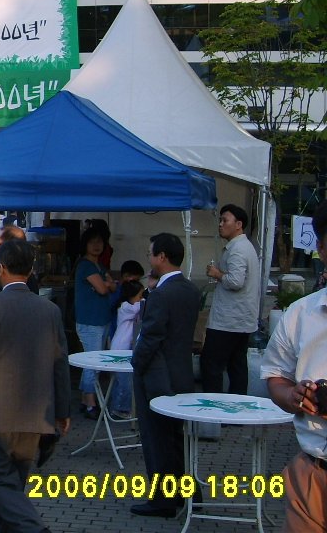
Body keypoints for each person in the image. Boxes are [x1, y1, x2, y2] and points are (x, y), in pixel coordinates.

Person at [0, 238, 71, 532]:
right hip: (36, 414)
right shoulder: (49, 310)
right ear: (32, 269)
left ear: (1, 268)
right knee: (12, 486)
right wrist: (62, 410)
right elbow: (60, 363)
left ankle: (35, 529)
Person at [262, 201, 327, 531]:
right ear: (322, 249)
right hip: (313, 472)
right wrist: (293, 396)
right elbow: (275, 376)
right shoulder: (300, 314)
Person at [130, 232, 201, 518]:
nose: (149, 259)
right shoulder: (190, 290)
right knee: (175, 437)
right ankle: (188, 491)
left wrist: (137, 363)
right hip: (181, 371)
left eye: (151, 254)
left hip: (158, 376)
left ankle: (163, 498)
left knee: (157, 438)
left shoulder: (162, 294)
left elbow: (151, 336)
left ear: (162, 257)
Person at [202, 203, 261, 395]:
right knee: (237, 366)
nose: (220, 224)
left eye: (224, 220)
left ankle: (212, 406)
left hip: (228, 321)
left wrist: (217, 273)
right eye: (220, 220)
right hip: (241, 319)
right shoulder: (244, 246)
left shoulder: (238, 249)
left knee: (211, 365)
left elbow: (236, 281)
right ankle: (237, 406)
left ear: (238, 224)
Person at [74, 226, 117, 419]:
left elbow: (112, 286)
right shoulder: (86, 265)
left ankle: (86, 399)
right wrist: (107, 284)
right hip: (90, 321)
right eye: (92, 242)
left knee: (93, 361)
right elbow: (103, 289)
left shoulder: (99, 265)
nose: (96, 245)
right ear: (85, 244)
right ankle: (90, 403)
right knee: (92, 362)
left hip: (101, 319)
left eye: (99, 242)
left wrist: (107, 284)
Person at [108, 279, 145, 418]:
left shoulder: (128, 306)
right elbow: (139, 308)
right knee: (124, 382)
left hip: (124, 349)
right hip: (119, 350)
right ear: (131, 295)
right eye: (140, 296)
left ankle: (117, 407)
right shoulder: (125, 307)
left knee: (121, 381)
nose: (141, 298)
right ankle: (121, 408)